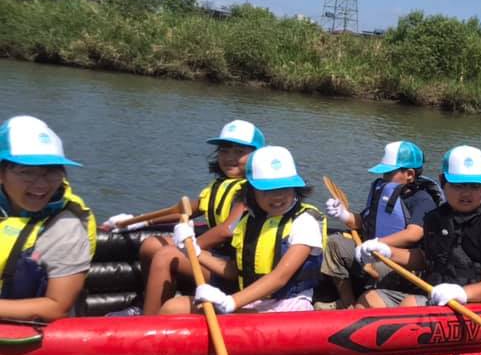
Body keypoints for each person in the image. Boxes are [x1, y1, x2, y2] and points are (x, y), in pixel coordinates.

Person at [102, 119, 265, 315]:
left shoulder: (258, 190)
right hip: (216, 258)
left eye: (239, 152)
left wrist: (188, 249)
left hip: (234, 270)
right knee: (152, 244)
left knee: (166, 255)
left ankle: (148, 324)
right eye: (224, 150)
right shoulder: (221, 185)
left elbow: (226, 231)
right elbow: (185, 210)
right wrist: (140, 220)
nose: (230, 157)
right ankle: (145, 305)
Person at [160, 146, 326, 314]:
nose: (277, 196)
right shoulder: (250, 221)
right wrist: (194, 252)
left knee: (173, 309)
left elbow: (279, 278)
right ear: (251, 191)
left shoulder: (305, 222)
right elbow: (234, 271)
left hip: (286, 311)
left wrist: (230, 301)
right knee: (174, 306)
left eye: (285, 188)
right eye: (267, 190)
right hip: (252, 304)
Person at [354, 145, 481, 308]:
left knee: (410, 303)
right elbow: (425, 259)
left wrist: (463, 293)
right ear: (442, 181)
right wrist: (386, 251)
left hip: (476, 305)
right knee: (370, 298)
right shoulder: (435, 217)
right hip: (434, 295)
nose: (467, 193)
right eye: (458, 185)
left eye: (475, 186)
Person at [321, 140, 441, 307]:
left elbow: (414, 233)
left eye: (389, 173)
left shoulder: (422, 199)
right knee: (334, 243)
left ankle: (367, 299)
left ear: (410, 174)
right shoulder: (383, 191)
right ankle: (347, 304)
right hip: (372, 250)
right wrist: (344, 215)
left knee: (374, 267)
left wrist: (379, 244)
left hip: (401, 262)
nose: (384, 178)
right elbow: (364, 222)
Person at [0, 116, 96, 322]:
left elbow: (56, 307)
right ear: (1, 173)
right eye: (27, 172)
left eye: (52, 172)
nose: (41, 184)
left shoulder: (65, 228)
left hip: (23, 336)